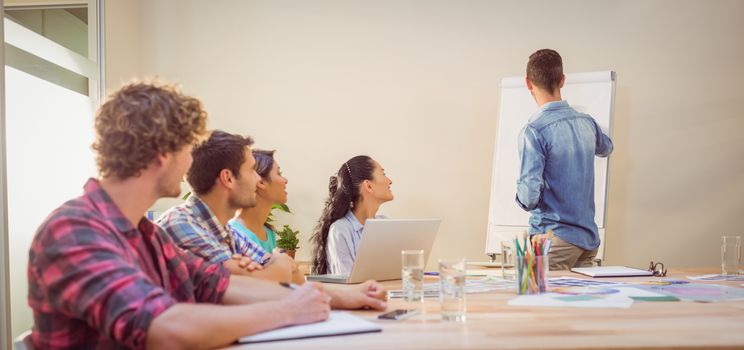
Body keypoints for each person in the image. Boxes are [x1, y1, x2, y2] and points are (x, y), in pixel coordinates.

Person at [27, 82, 337, 349]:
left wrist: (310, 299)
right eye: (187, 148)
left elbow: (218, 286)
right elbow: (163, 329)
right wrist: (287, 311)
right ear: (163, 154)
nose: (190, 162)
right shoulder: (73, 231)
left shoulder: (148, 234)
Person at [158, 132, 303, 284]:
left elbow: (295, 280)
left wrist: (275, 267)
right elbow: (253, 284)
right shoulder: (180, 224)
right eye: (252, 170)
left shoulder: (229, 233)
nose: (258, 178)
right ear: (228, 178)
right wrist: (279, 261)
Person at [516, 49, 614, 271]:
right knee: (576, 304)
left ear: (528, 84)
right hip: (587, 240)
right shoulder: (587, 123)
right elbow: (606, 147)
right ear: (562, 80)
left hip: (553, 241)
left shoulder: (534, 131)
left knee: (539, 302)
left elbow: (529, 198)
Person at [311, 155, 393, 275]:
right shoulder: (341, 230)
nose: (390, 181)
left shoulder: (385, 224)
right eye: (383, 174)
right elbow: (347, 283)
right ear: (368, 186)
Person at [228, 149, 285, 253]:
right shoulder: (235, 234)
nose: (285, 180)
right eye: (279, 173)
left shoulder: (268, 232)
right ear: (260, 182)